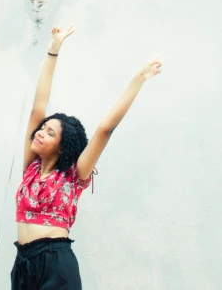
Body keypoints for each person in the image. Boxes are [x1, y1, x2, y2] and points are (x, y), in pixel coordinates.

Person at [12, 25, 163, 289]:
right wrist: (53, 50)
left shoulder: (73, 175)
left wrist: (139, 78)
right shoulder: (31, 168)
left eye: (49, 133)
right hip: (23, 264)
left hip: (55, 263)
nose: (39, 134)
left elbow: (105, 129)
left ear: (62, 148)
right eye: (42, 129)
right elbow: (38, 106)